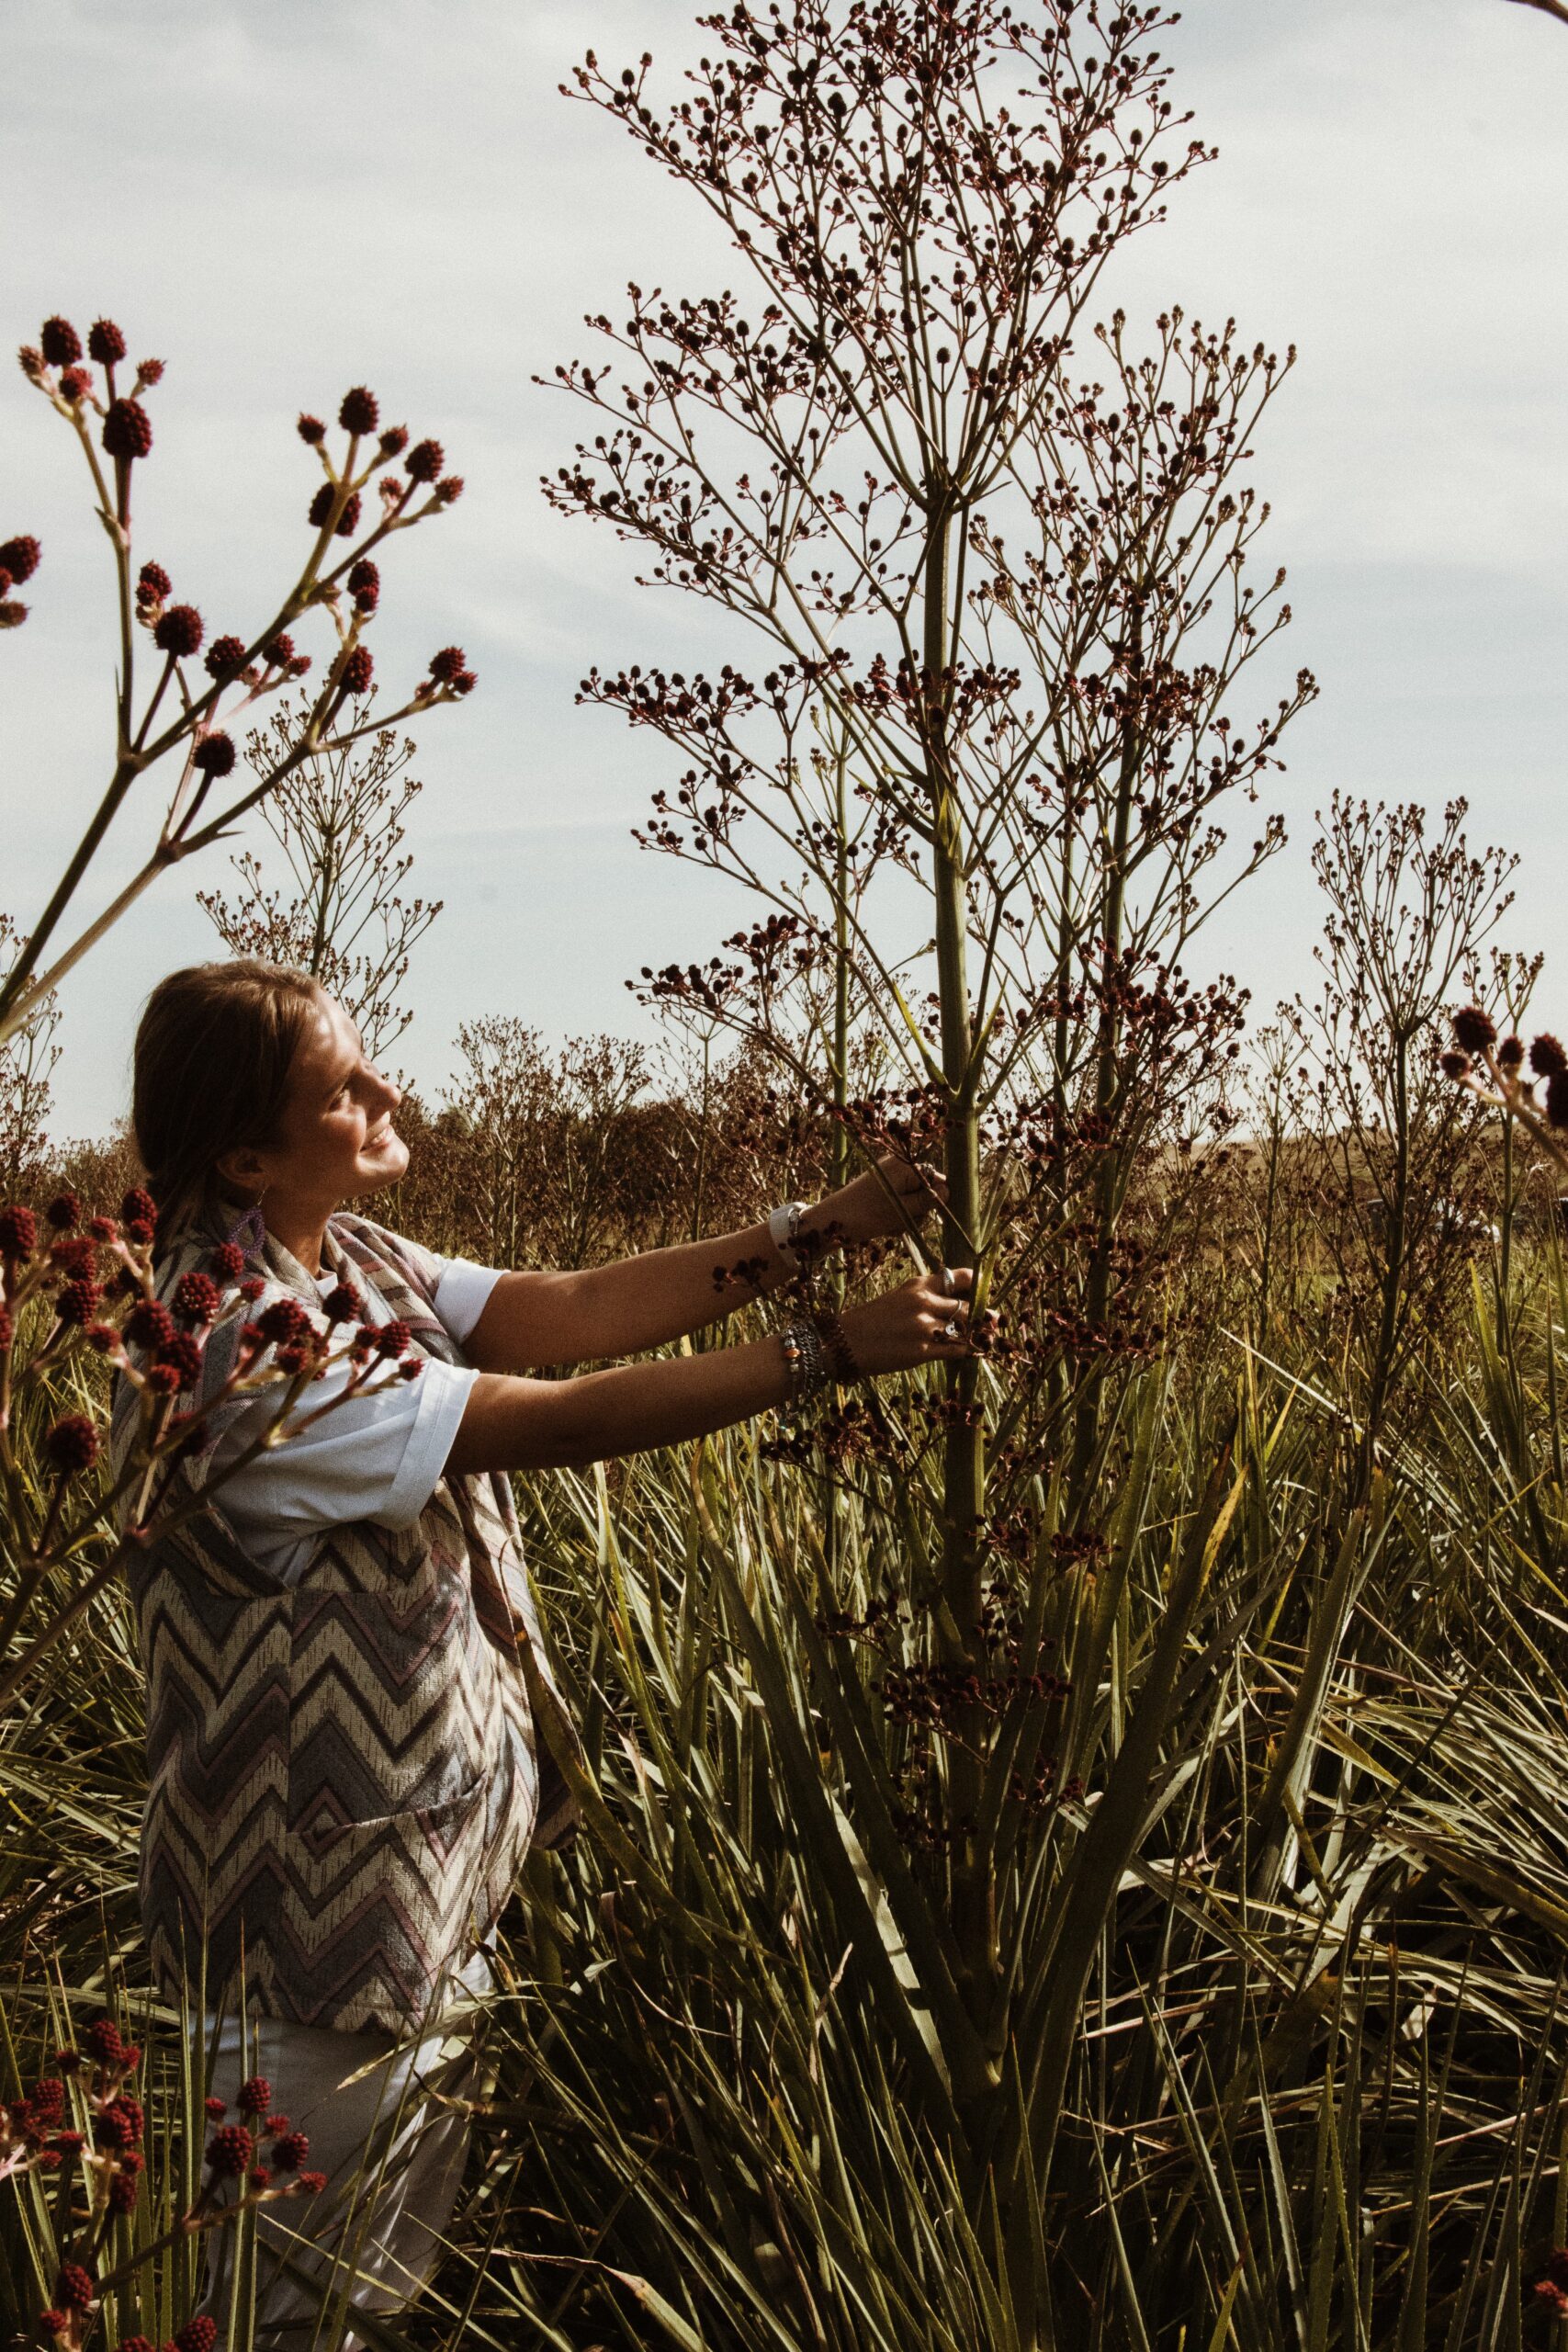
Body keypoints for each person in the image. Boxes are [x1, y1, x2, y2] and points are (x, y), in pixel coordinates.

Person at [113, 957, 980, 2346]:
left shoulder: (340, 1254)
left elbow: (565, 1310)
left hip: (413, 1910)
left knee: (374, 2304)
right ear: (241, 1149)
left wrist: (825, 1226)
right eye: (344, 1088)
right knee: (282, 2325)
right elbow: (556, 1415)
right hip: (307, 1959)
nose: (387, 1089)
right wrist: (828, 1351)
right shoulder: (240, 1349)